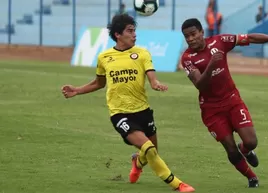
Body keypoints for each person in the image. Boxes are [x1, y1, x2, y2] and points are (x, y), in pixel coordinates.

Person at [61, 14, 195, 193]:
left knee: (150, 152)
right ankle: (177, 184)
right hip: (120, 114)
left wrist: (156, 84)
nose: (134, 35)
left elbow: (152, 77)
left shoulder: (142, 53)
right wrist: (77, 90)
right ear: (117, 34)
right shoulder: (104, 57)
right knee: (149, 149)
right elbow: (99, 83)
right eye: (130, 31)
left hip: (143, 111)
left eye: (134, 30)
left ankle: (137, 162)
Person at [180, 18, 268, 188]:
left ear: (202, 32)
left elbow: (248, 38)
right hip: (211, 110)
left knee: (252, 141)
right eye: (186, 36)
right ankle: (252, 178)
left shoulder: (220, 41)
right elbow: (199, 85)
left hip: (232, 101)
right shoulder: (187, 58)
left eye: (193, 34)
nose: (190, 39)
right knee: (230, 148)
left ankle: (246, 150)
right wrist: (211, 64)